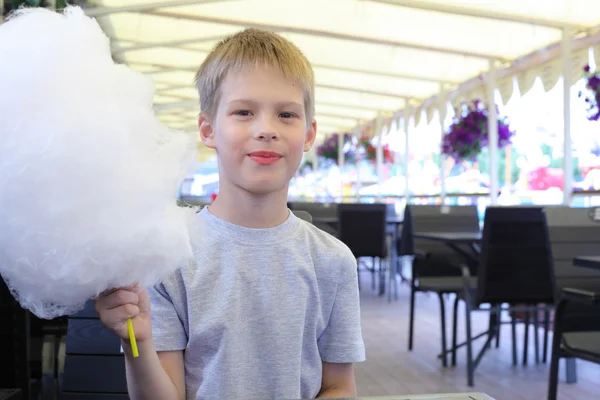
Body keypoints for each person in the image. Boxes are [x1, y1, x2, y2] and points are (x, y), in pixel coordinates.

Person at [94, 28, 365, 399]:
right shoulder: (168, 257)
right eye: (243, 112)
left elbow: (339, 386)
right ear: (208, 129)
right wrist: (135, 343)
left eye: (286, 114)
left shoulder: (334, 262)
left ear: (308, 134)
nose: (266, 129)